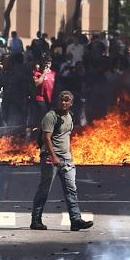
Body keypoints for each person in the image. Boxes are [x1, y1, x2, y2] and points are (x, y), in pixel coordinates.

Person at [30, 90, 92, 231]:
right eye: (61, 100)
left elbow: (67, 137)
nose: (63, 103)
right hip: (50, 158)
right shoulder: (51, 116)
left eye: (66, 100)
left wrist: (71, 155)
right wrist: (54, 157)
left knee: (71, 190)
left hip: (66, 159)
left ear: (71, 103)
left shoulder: (70, 116)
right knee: (44, 189)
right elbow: (46, 138)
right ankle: (36, 220)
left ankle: (75, 220)